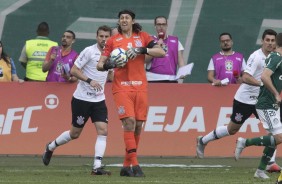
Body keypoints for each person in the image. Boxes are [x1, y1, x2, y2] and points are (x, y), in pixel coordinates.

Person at [197, 29, 280, 178]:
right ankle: (203, 140)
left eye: (273, 40)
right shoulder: (256, 57)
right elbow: (246, 77)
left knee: (274, 131)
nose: (270, 43)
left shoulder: (275, 57)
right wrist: (263, 84)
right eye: (267, 40)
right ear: (262, 41)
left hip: (263, 101)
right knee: (232, 129)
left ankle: (268, 164)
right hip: (245, 99)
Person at [97, 9, 165, 177]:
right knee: (129, 122)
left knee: (138, 126)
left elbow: (161, 52)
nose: (124, 20)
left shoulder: (142, 37)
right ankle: (135, 165)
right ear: (119, 22)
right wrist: (111, 63)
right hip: (122, 87)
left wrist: (142, 50)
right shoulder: (113, 40)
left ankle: (126, 166)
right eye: (121, 18)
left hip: (140, 86)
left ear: (133, 21)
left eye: (127, 18)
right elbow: (100, 64)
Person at [42, 25, 114, 175]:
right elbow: (74, 70)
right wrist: (89, 80)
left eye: (106, 36)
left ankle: (97, 166)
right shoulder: (89, 51)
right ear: (97, 37)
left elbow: (111, 77)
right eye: (101, 36)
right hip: (81, 99)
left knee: (103, 130)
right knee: (75, 134)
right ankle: (51, 147)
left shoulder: (112, 54)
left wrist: (116, 70)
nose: (104, 39)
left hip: (99, 100)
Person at [234, 32, 282, 182]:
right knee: (279, 137)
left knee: (274, 138)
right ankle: (245, 142)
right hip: (266, 103)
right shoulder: (276, 57)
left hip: (271, 103)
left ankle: (260, 170)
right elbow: (264, 76)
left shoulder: (277, 57)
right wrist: (275, 93)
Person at [145, 16, 185, 83]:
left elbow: (180, 60)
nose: (161, 27)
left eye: (163, 24)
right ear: (155, 26)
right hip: (153, 78)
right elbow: (145, 60)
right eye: (159, 24)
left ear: (166, 25)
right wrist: (157, 47)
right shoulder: (149, 40)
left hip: (171, 78)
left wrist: (183, 72)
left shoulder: (175, 40)